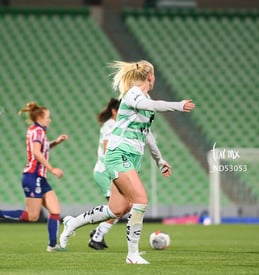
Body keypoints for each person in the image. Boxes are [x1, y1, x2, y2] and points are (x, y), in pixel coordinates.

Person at [59, 60, 195, 264]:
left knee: (116, 209)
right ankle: (132, 254)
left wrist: (159, 160)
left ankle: (73, 223)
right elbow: (152, 105)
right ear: (150, 77)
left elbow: (147, 134)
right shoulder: (132, 94)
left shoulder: (145, 100)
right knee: (140, 200)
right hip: (118, 153)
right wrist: (178, 105)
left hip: (132, 158)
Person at [0, 102, 68, 252]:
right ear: (40, 117)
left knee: (55, 210)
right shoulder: (37, 131)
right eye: (48, 117)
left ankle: (52, 245)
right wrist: (52, 168)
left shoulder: (39, 131)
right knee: (32, 216)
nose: (50, 120)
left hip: (40, 178)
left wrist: (56, 142)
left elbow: (43, 148)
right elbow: (36, 152)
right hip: (32, 176)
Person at [89, 98, 121, 250]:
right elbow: (106, 148)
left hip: (109, 171)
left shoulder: (116, 125)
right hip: (105, 172)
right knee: (118, 208)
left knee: (121, 207)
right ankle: (97, 235)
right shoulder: (111, 125)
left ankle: (98, 232)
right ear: (114, 111)